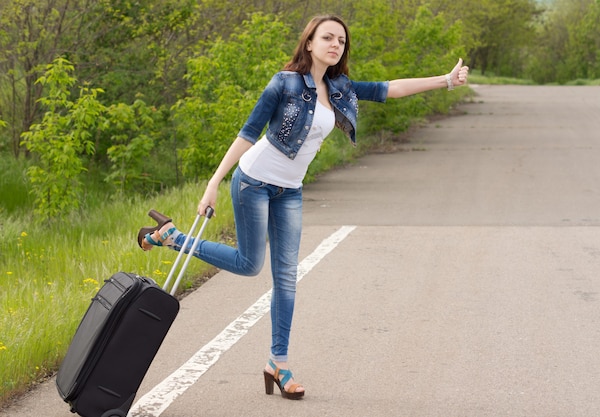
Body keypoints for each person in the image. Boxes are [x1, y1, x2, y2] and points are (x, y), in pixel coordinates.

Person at [136, 14, 469, 400]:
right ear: (309, 42)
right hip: (253, 181)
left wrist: (445, 81)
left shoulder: (341, 88)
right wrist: (214, 182)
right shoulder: (285, 83)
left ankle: (279, 363)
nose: (335, 45)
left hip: (289, 190)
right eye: (327, 37)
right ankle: (173, 238)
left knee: (287, 279)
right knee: (249, 264)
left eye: (341, 41)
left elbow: (388, 88)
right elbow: (248, 132)